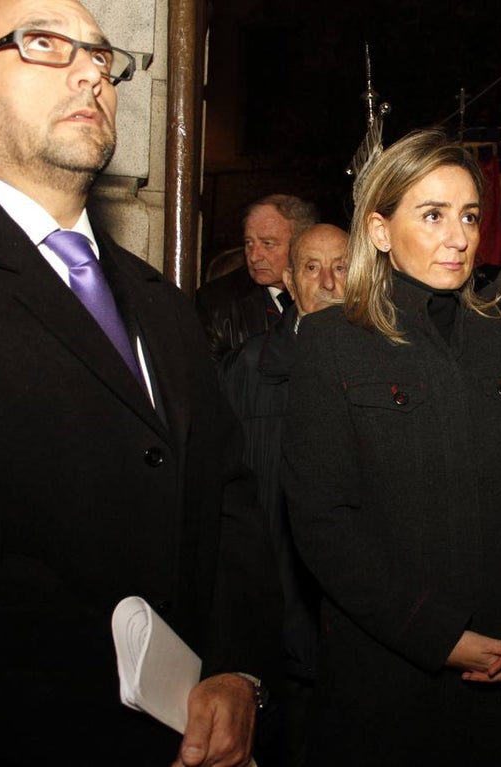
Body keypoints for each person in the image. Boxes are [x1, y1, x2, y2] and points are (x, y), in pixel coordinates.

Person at [0, 2, 280, 764]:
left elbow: (228, 496)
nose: (89, 73)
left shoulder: (161, 300)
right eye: (42, 44)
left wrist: (236, 669)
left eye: (104, 59)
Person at [281, 129, 501, 766]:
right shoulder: (332, 341)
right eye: (432, 215)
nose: (459, 236)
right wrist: (441, 637)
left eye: (470, 216)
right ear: (380, 228)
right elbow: (323, 525)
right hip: (393, 678)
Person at [218, 222, 348, 767]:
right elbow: (230, 498)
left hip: (357, 628)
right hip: (279, 624)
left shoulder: (390, 366)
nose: (328, 282)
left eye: (341, 267)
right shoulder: (250, 367)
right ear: (290, 282)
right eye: (312, 268)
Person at [195, 193, 318, 359]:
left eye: (267, 244)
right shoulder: (215, 304)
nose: (254, 257)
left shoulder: (328, 293)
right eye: (249, 243)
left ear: (301, 245)